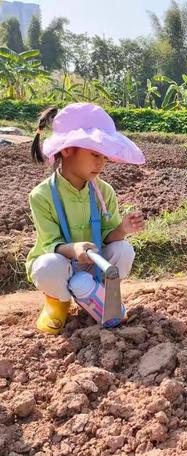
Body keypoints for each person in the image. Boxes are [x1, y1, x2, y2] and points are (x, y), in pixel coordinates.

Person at [27, 103, 146, 335]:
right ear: (67, 150)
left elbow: (108, 236)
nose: (101, 163)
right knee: (47, 266)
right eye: (94, 155)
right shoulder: (41, 196)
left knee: (123, 250)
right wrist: (74, 248)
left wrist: (122, 229)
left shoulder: (105, 192)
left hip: (95, 263)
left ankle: (103, 297)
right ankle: (57, 303)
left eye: (104, 156)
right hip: (63, 265)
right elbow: (52, 243)